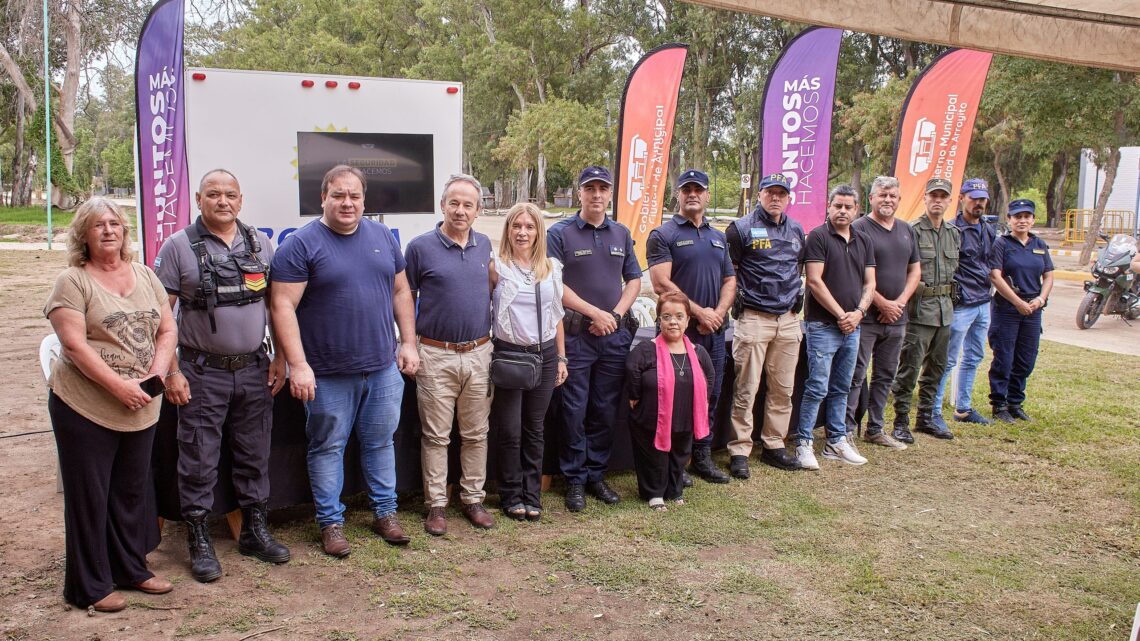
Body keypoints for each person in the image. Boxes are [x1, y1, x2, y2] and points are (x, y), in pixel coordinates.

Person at [271, 164, 420, 557]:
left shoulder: (383, 237)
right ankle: (331, 523)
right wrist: (298, 365)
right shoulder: (300, 245)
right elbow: (282, 306)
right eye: (338, 195)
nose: (347, 202)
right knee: (327, 447)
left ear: (364, 199)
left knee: (380, 442)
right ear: (323, 198)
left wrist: (408, 342)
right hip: (327, 374)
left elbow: (401, 291)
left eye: (354, 195)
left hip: (382, 368)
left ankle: (385, 513)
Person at [155, 170, 290, 583]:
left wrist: (282, 356)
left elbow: (277, 305)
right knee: (198, 458)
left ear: (241, 199)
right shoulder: (178, 247)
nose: (222, 201)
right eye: (213, 194)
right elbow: (162, 316)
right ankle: (199, 539)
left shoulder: (260, 243)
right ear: (199, 199)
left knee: (254, 452)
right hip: (200, 373)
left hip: (253, 369)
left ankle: (254, 530)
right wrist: (172, 370)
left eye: (230, 194)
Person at [44, 197, 177, 612]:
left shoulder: (145, 274)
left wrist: (154, 377)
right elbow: (74, 345)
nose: (108, 230)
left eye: (115, 223)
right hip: (85, 407)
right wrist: (119, 386)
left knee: (130, 491)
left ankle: (131, 569)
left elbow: (167, 329)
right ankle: (89, 586)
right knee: (90, 497)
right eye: (98, 224)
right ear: (83, 234)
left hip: (141, 405)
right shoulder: (72, 281)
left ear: (125, 231)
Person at [547, 166, 642, 511]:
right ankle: (573, 480)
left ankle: (595, 475)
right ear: (580, 193)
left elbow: (633, 280)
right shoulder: (560, 233)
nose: (597, 195)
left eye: (603, 188)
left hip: (614, 336)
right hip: (576, 336)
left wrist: (613, 316)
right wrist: (594, 313)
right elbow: (554, 284)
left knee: (604, 408)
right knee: (574, 408)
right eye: (591, 188)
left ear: (609, 193)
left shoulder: (621, 233)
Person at [405, 174, 495, 535]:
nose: (460, 210)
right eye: (454, 203)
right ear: (442, 205)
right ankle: (436, 505)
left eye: (468, 204)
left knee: (476, 433)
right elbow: (404, 297)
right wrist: (407, 343)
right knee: (436, 436)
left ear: (478, 210)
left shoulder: (486, 244)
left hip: (479, 353)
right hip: (435, 354)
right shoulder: (419, 247)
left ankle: (473, 499)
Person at [646, 169, 736, 484]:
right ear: (679, 194)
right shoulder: (664, 234)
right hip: (679, 334)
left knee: (708, 395)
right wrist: (699, 313)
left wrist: (719, 313)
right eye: (687, 189)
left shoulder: (718, 236)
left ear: (708, 195)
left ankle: (702, 457)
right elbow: (661, 283)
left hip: (714, 332)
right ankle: (674, 463)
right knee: (675, 399)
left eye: (699, 189)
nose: (693, 194)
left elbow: (730, 280)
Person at [490, 203, 568, 522]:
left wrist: (561, 356)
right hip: (509, 354)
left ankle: (531, 494)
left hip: (545, 354)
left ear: (539, 232)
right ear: (508, 230)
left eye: (530, 226)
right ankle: (510, 494)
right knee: (509, 430)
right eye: (516, 226)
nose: (523, 232)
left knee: (534, 428)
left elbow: (557, 314)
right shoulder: (496, 266)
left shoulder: (552, 267)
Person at [724, 173, 805, 479]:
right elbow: (729, 272)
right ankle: (739, 449)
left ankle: (773, 445)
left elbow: (797, 267)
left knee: (783, 389)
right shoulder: (740, 229)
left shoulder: (796, 229)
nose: (775, 198)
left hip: (787, 320)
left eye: (781, 193)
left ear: (788, 198)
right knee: (746, 388)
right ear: (759, 195)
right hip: (754, 318)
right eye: (770, 192)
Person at [794, 185, 876, 469]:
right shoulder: (817, 236)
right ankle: (803, 443)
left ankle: (835, 440)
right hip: (823, 326)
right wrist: (843, 314)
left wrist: (859, 313)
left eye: (848, 206)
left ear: (857, 210)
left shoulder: (864, 240)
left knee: (842, 386)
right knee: (817, 386)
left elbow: (870, 283)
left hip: (853, 327)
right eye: (837, 205)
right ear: (828, 206)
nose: (842, 211)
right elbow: (814, 281)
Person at [846, 176, 920, 450]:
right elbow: (854, 272)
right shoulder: (859, 228)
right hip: (865, 318)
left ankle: (875, 428)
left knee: (885, 375)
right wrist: (882, 304)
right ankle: (847, 429)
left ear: (899, 200)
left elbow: (915, 270)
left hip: (897, 319)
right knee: (855, 374)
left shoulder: (906, 230)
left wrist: (899, 302)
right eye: (882, 195)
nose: (888, 200)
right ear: (871, 198)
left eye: (893, 196)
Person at [626, 291, 714, 510]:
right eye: (666, 316)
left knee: (680, 454)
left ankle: (675, 491)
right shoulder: (647, 350)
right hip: (651, 418)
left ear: (688, 320)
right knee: (654, 455)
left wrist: (703, 401)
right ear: (659, 320)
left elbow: (709, 377)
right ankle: (654, 493)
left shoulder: (698, 351)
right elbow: (632, 369)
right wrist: (635, 395)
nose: (673, 321)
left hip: (685, 417)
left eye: (679, 316)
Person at [891, 178, 960, 442]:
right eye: (934, 196)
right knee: (909, 367)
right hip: (920, 309)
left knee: (937, 368)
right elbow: (905, 271)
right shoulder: (913, 231)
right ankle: (900, 421)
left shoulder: (954, 233)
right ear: (926, 199)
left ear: (949, 201)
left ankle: (926, 417)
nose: (938, 201)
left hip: (945, 309)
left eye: (943, 196)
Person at [934, 177, 998, 427]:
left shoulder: (988, 229)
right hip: (960, 304)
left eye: (982, 199)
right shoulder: (951, 230)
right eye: (974, 198)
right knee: (947, 359)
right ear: (962, 199)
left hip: (983, 301)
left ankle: (963, 408)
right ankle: (934, 410)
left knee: (974, 357)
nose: (978, 204)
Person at [987, 199, 1054, 423]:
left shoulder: (1039, 244)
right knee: (1004, 357)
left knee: (1026, 358)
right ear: (1009, 220)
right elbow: (995, 276)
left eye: (1026, 216)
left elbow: (1048, 275)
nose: (1022, 221)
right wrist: (1017, 302)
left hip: (1033, 309)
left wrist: (1041, 299)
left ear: (1033, 219)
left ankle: (1015, 402)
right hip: (1007, 307)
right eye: (1017, 217)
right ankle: (999, 404)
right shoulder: (1002, 244)